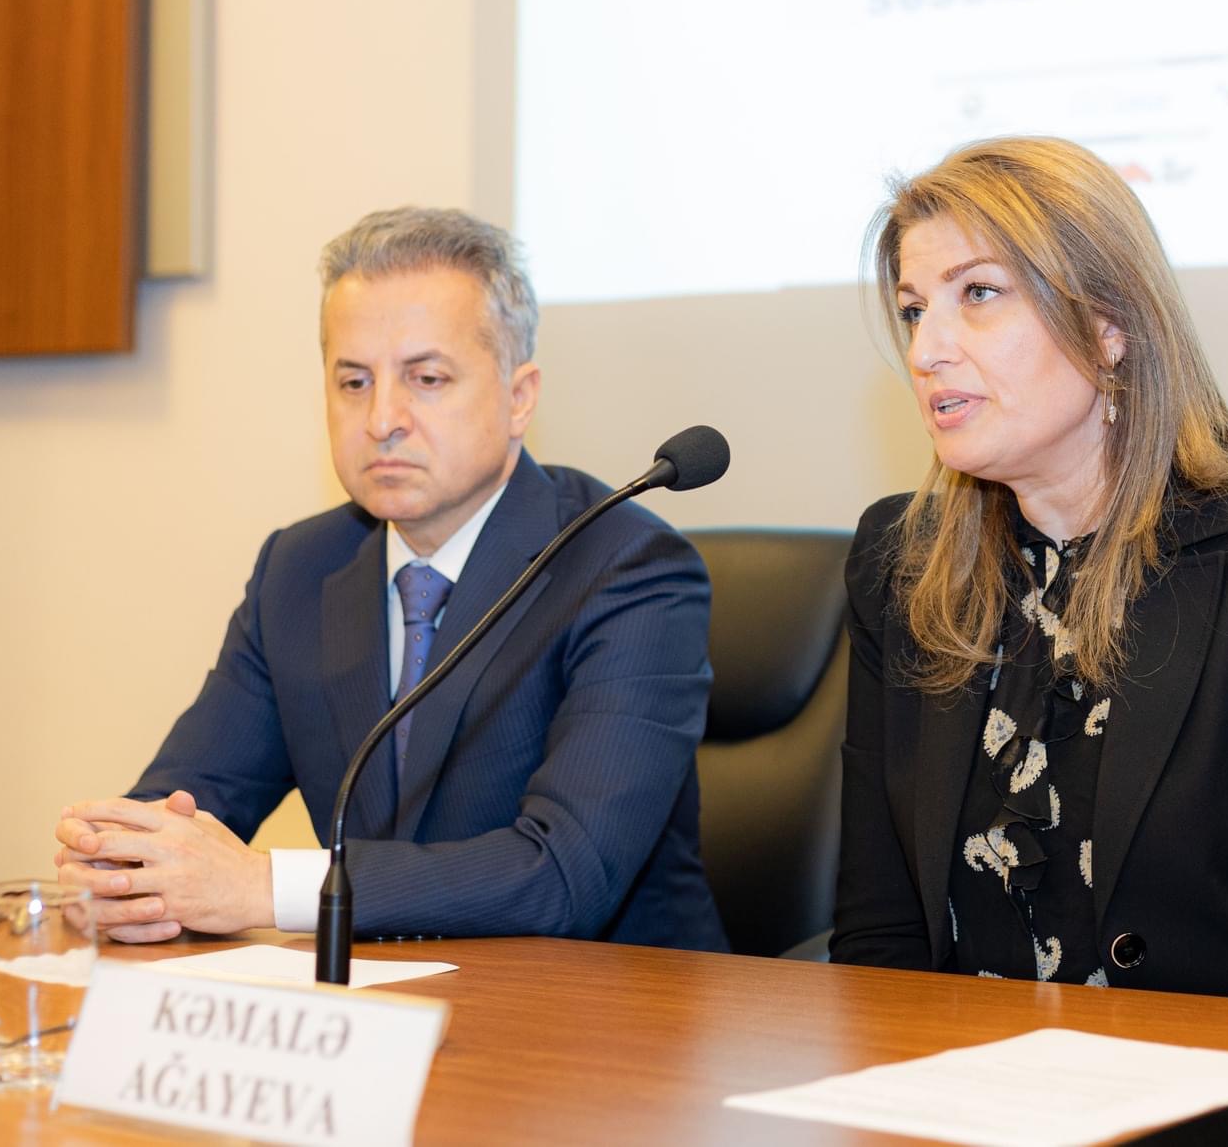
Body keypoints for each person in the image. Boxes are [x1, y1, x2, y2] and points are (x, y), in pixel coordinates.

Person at [831, 138, 1228, 1007]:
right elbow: (877, 945)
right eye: (915, 310)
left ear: (1108, 325)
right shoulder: (902, 565)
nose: (926, 350)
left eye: (979, 293)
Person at [54, 207, 728, 951]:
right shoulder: (299, 569)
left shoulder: (629, 568)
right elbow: (189, 798)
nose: (382, 419)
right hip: (377, 998)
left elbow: (564, 874)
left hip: (607, 1005)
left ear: (519, 397)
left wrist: (259, 885)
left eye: (426, 378)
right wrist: (123, 868)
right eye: (353, 381)